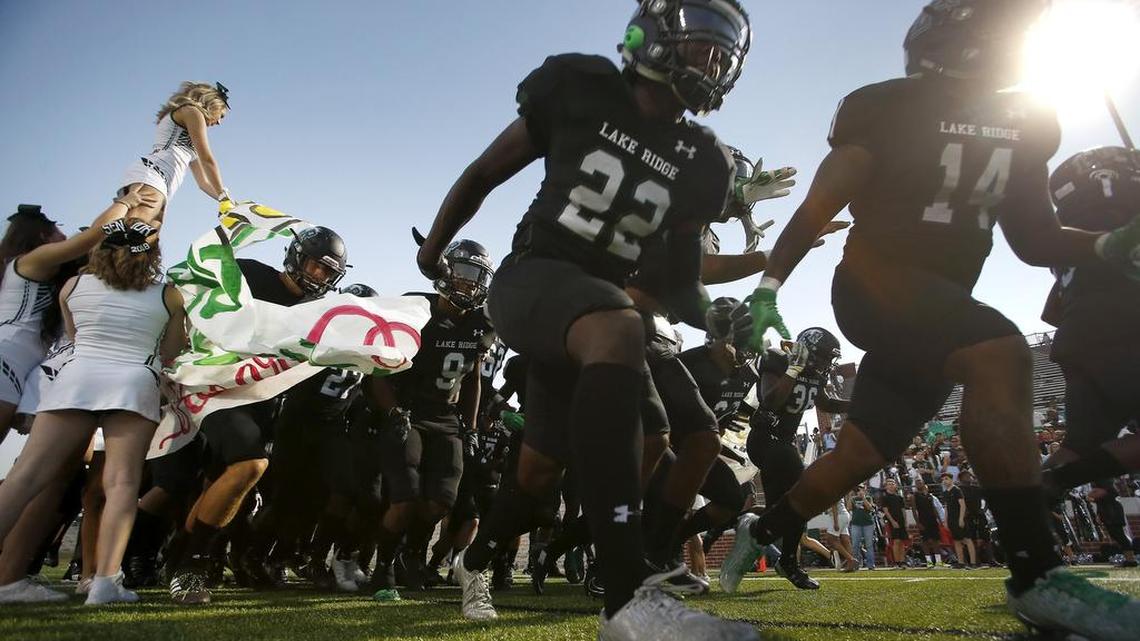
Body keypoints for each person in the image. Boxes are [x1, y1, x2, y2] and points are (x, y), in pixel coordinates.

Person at [732, 0, 1140, 635]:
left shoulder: (1026, 120)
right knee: (1001, 349)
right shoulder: (886, 106)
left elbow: (1033, 239)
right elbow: (817, 207)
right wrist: (769, 285)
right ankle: (1035, 574)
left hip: (937, 311)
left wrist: (1108, 244)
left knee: (863, 452)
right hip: (875, 288)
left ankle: (764, 529)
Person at [413, 1, 758, 637]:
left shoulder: (702, 157)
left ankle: (477, 559)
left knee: (545, 471)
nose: (711, 63)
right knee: (622, 327)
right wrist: (433, 250)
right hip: (533, 279)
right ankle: (627, 600)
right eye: (701, 45)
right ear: (653, 38)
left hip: (597, 320)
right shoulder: (580, 86)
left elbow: (680, 281)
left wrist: (720, 319)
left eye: (722, 54)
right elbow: (485, 173)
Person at [0, 217, 187, 605]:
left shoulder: (71, 286)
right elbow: (170, 353)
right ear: (151, 252)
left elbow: (74, 337)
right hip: (134, 382)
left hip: (77, 377)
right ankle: (104, 583)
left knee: (24, 478)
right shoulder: (170, 295)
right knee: (121, 485)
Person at [167, 225, 348, 605]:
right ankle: (192, 566)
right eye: (315, 266)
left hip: (262, 399)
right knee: (249, 464)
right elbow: (188, 296)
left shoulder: (314, 311)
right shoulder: (248, 273)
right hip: (215, 387)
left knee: (222, 481)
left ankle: (181, 554)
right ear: (297, 256)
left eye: (327, 272)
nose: (318, 276)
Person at [364, 240, 495, 601]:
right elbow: (378, 370)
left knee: (442, 500)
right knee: (404, 497)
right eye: (465, 274)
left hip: (446, 417)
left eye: (477, 277)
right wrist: (392, 411)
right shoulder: (415, 310)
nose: (470, 284)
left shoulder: (482, 323)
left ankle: (412, 554)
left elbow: (473, 379)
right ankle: (383, 568)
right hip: (409, 410)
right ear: (446, 271)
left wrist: (469, 427)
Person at [1, 192, 158, 446]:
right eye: (58, 232)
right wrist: (126, 203)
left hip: (17, 366)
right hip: (6, 358)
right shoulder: (30, 261)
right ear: (43, 236)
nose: (65, 237)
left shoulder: (46, 274)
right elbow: (92, 236)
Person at [1039, 147, 1140, 489]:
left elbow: (1052, 310)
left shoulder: (1064, 236)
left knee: (1077, 448)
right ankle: (1058, 482)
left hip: (1078, 344)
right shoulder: (1124, 218)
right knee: (1081, 454)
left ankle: (1031, 500)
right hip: (1126, 331)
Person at [721, 327, 849, 592]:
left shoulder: (815, 374)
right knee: (801, 491)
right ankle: (775, 551)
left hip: (785, 444)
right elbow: (770, 401)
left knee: (789, 508)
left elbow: (826, 403)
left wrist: (857, 403)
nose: (826, 364)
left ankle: (773, 548)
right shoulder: (778, 359)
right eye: (824, 358)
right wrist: (794, 370)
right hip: (765, 439)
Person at [119, 82, 232, 223]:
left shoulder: (191, 146)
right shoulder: (191, 111)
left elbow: (203, 183)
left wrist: (227, 202)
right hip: (154, 173)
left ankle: (97, 236)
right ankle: (96, 235)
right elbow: (207, 159)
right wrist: (223, 195)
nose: (219, 122)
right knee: (134, 229)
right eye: (221, 115)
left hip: (162, 182)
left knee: (135, 237)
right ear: (211, 104)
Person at [941, 472, 975, 567]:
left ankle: (973, 562)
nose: (944, 481)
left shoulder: (957, 490)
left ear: (951, 480)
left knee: (967, 539)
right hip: (951, 520)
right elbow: (946, 507)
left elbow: (962, 505)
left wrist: (961, 519)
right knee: (956, 540)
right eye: (943, 479)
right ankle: (961, 562)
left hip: (959, 518)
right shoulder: (945, 493)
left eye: (946, 479)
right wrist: (945, 520)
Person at [849, 485, 876, 569]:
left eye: (862, 489)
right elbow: (849, 508)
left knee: (869, 545)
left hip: (868, 524)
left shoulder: (868, 498)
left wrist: (863, 498)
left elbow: (870, 508)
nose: (860, 491)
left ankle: (870, 565)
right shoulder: (853, 499)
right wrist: (850, 498)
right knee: (855, 545)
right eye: (858, 490)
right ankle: (856, 564)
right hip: (856, 524)